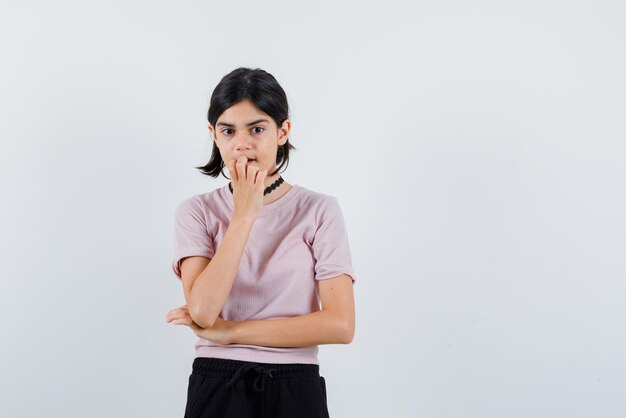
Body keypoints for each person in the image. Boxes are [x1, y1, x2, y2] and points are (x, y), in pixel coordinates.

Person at [164, 67, 357, 418]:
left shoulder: (319, 210)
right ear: (214, 135)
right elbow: (204, 311)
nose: (242, 143)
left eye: (257, 128)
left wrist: (231, 332)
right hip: (218, 383)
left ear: (283, 131)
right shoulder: (196, 212)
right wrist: (243, 215)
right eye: (228, 130)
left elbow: (341, 325)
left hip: (295, 384)